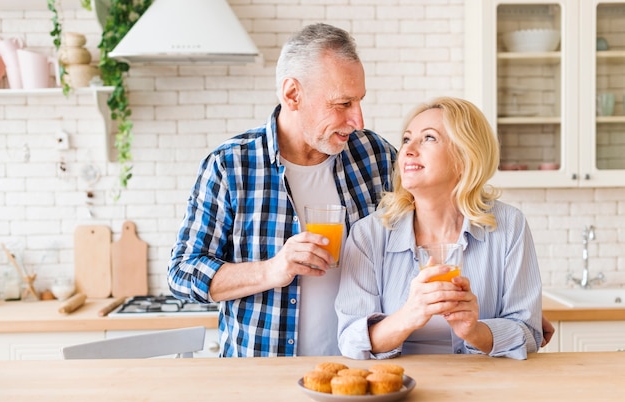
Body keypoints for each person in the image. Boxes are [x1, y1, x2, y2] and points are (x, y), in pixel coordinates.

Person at [167, 23, 396, 357]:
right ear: (292, 95)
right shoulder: (231, 165)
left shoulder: (375, 156)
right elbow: (182, 274)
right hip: (261, 378)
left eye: (359, 101)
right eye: (343, 103)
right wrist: (273, 269)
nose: (358, 120)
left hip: (356, 374)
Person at [335, 96, 543, 360]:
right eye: (407, 139)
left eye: (429, 138)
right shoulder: (369, 234)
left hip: (484, 388)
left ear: (465, 155)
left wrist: (475, 331)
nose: (408, 150)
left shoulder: (509, 226)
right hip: (400, 388)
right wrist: (409, 315)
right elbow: (351, 339)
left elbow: (530, 333)